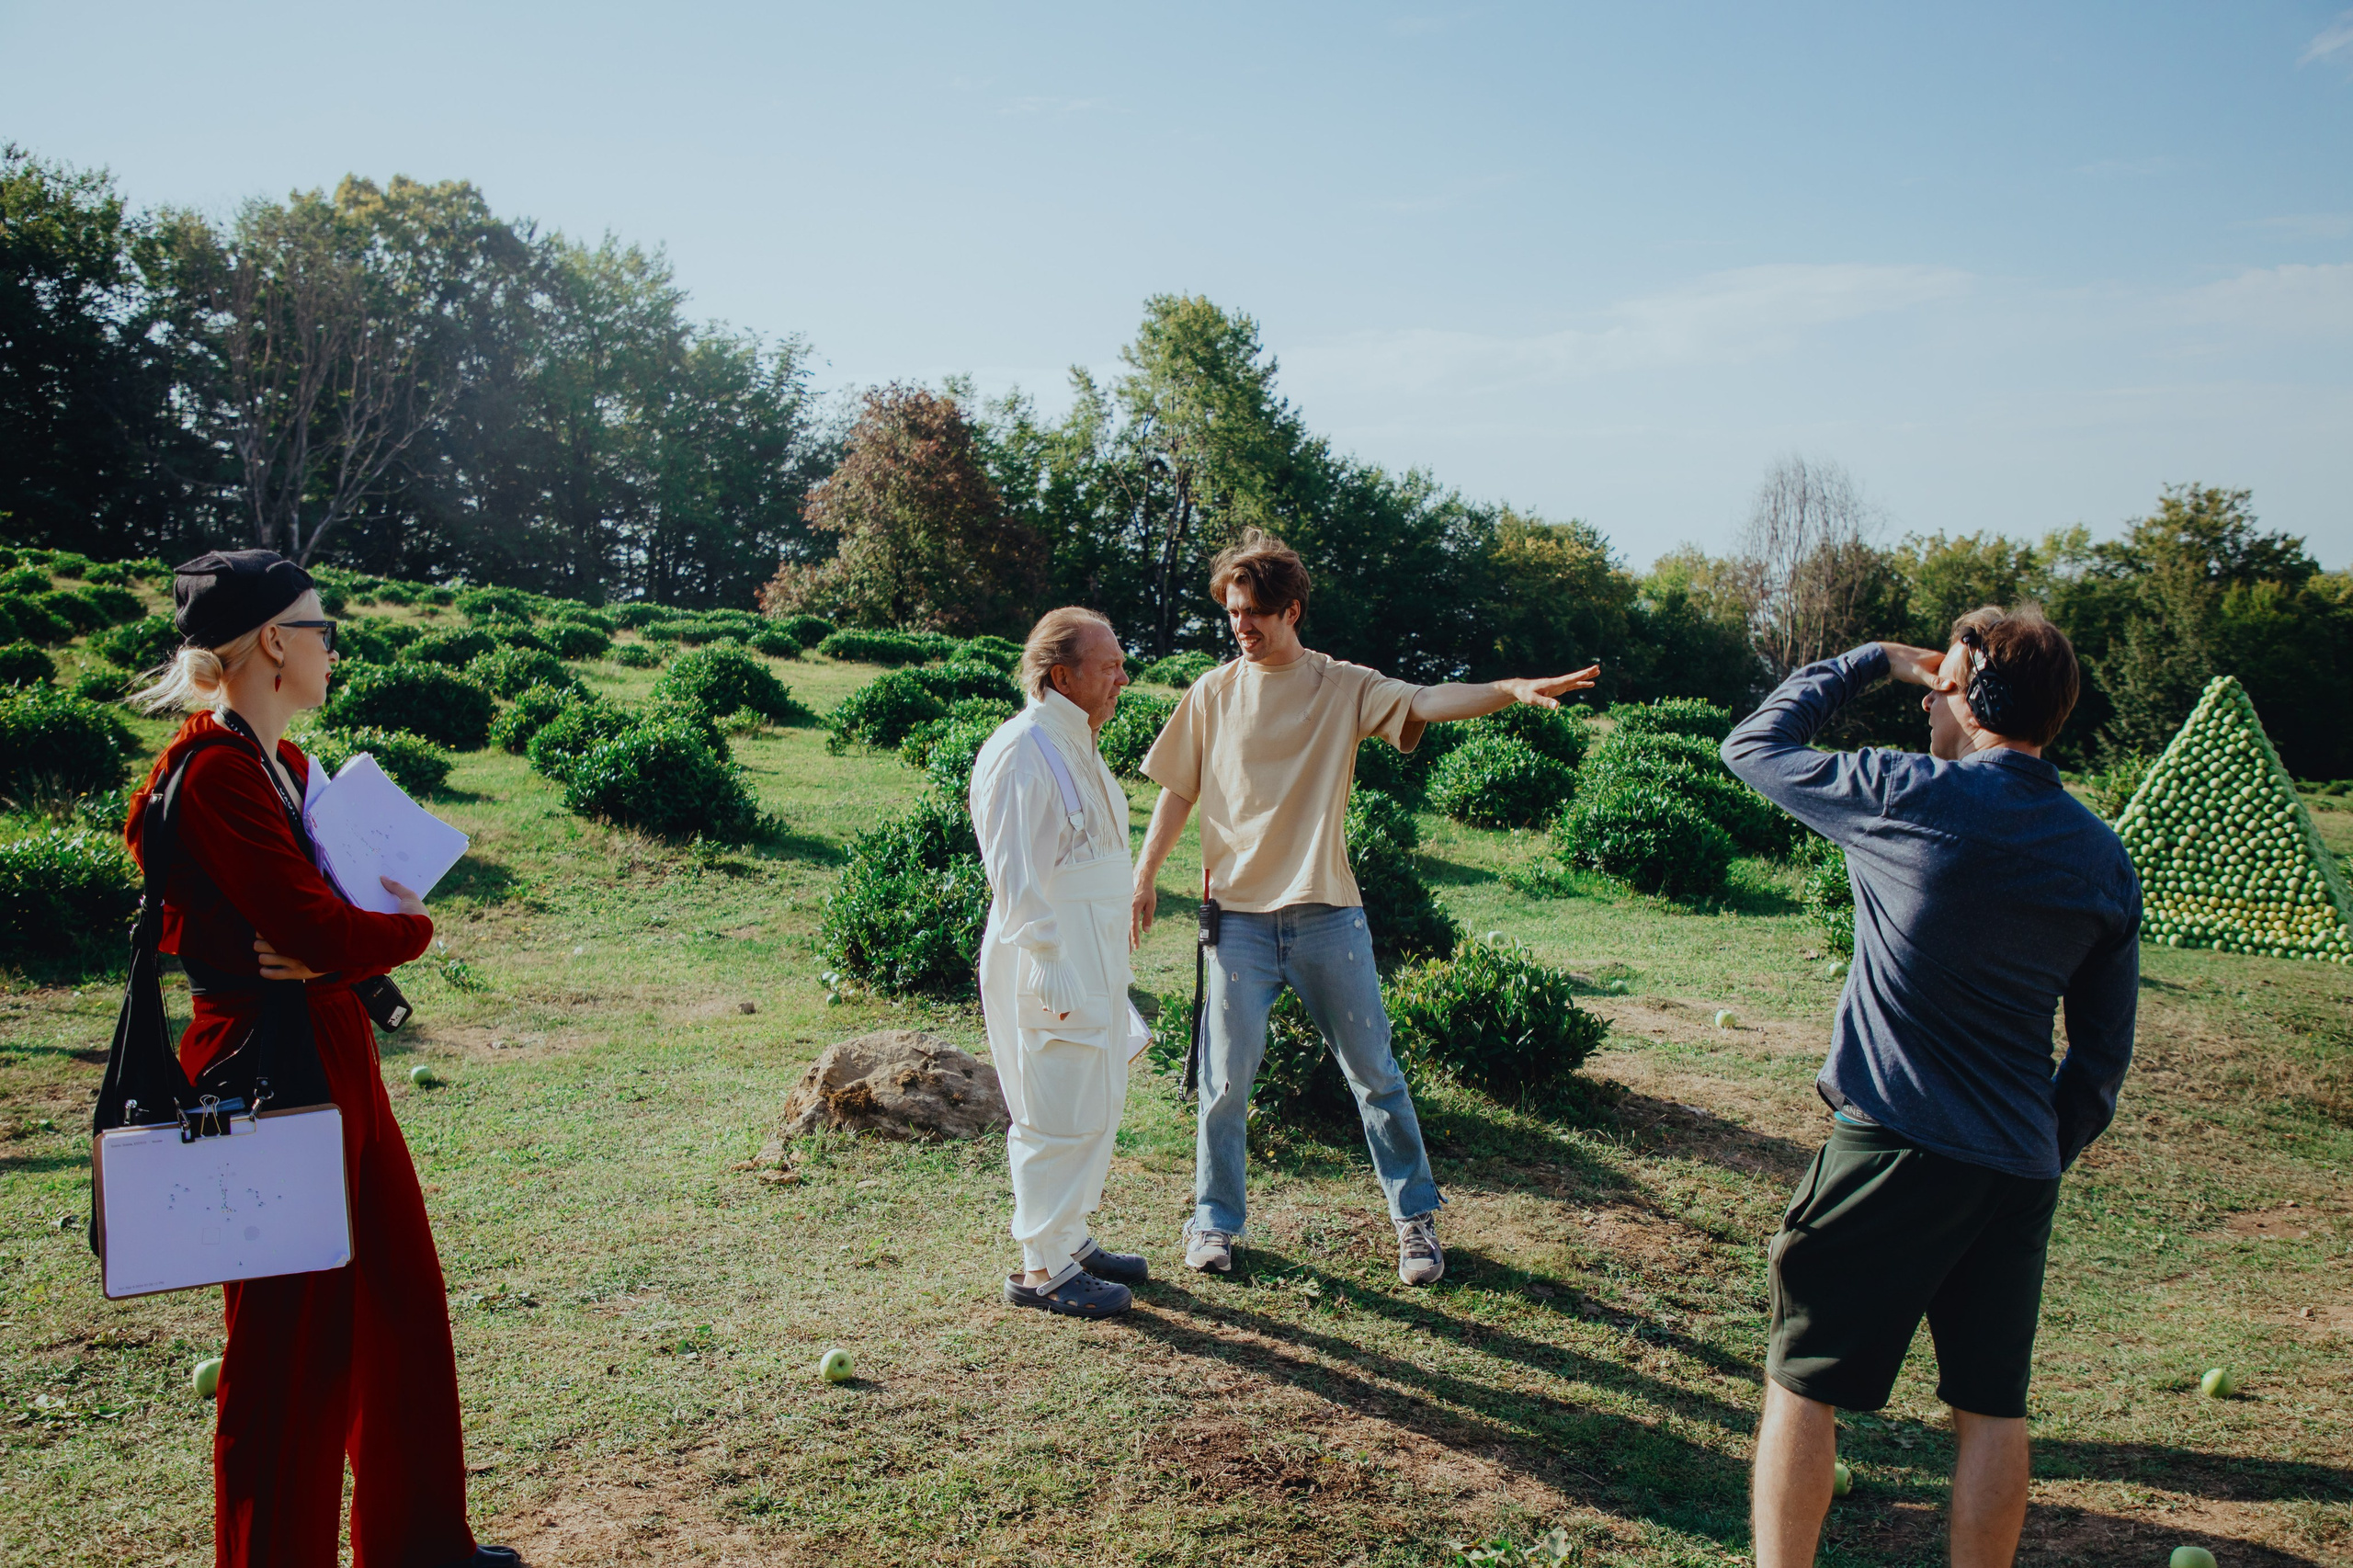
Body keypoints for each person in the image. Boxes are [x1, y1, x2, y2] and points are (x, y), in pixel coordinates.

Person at [1721, 607, 2140, 1568]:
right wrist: (2039, 1146)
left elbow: (1752, 744)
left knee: (1802, 1378)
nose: (1925, 704)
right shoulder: (2099, 856)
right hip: (2017, 1168)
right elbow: (2099, 1060)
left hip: (1893, 1149)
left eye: (1938, 684)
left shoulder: (1902, 794)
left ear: (1968, 697)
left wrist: (1870, 660)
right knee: (1990, 1404)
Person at [126, 550, 517, 1568]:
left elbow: (328, 933)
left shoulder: (288, 766)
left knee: (397, 1299)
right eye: (320, 626)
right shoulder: (211, 773)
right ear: (271, 642)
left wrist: (350, 931)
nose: (331, 645)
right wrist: (407, 928)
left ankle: (418, 1539)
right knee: (286, 1351)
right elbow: (321, 925)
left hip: (332, 1043)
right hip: (264, 1061)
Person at [1130, 528, 1598, 1285]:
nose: (1240, 627)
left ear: (1294, 612)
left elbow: (1425, 700)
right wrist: (1146, 874)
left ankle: (1415, 1223)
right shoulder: (1211, 693)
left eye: (1254, 613)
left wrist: (1507, 689)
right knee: (1223, 1083)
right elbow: (1176, 789)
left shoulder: (1342, 685)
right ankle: (1214, 1222)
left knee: (1375, 1076)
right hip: (1237, 924)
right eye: (1232, 613)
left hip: (1325, 915)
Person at [970, 607, 1154, 1319]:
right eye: (1109, 666)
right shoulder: (1022, 749)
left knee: (1094, 1099)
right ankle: (1041, 1266)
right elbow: (1012, 868)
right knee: (1053, 1110)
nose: (1122, 678)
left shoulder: (1080, 741)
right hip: (1049, 955)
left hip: (1093, 949)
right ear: (1061, 675)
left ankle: (1071, 1238)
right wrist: (1046, 953)